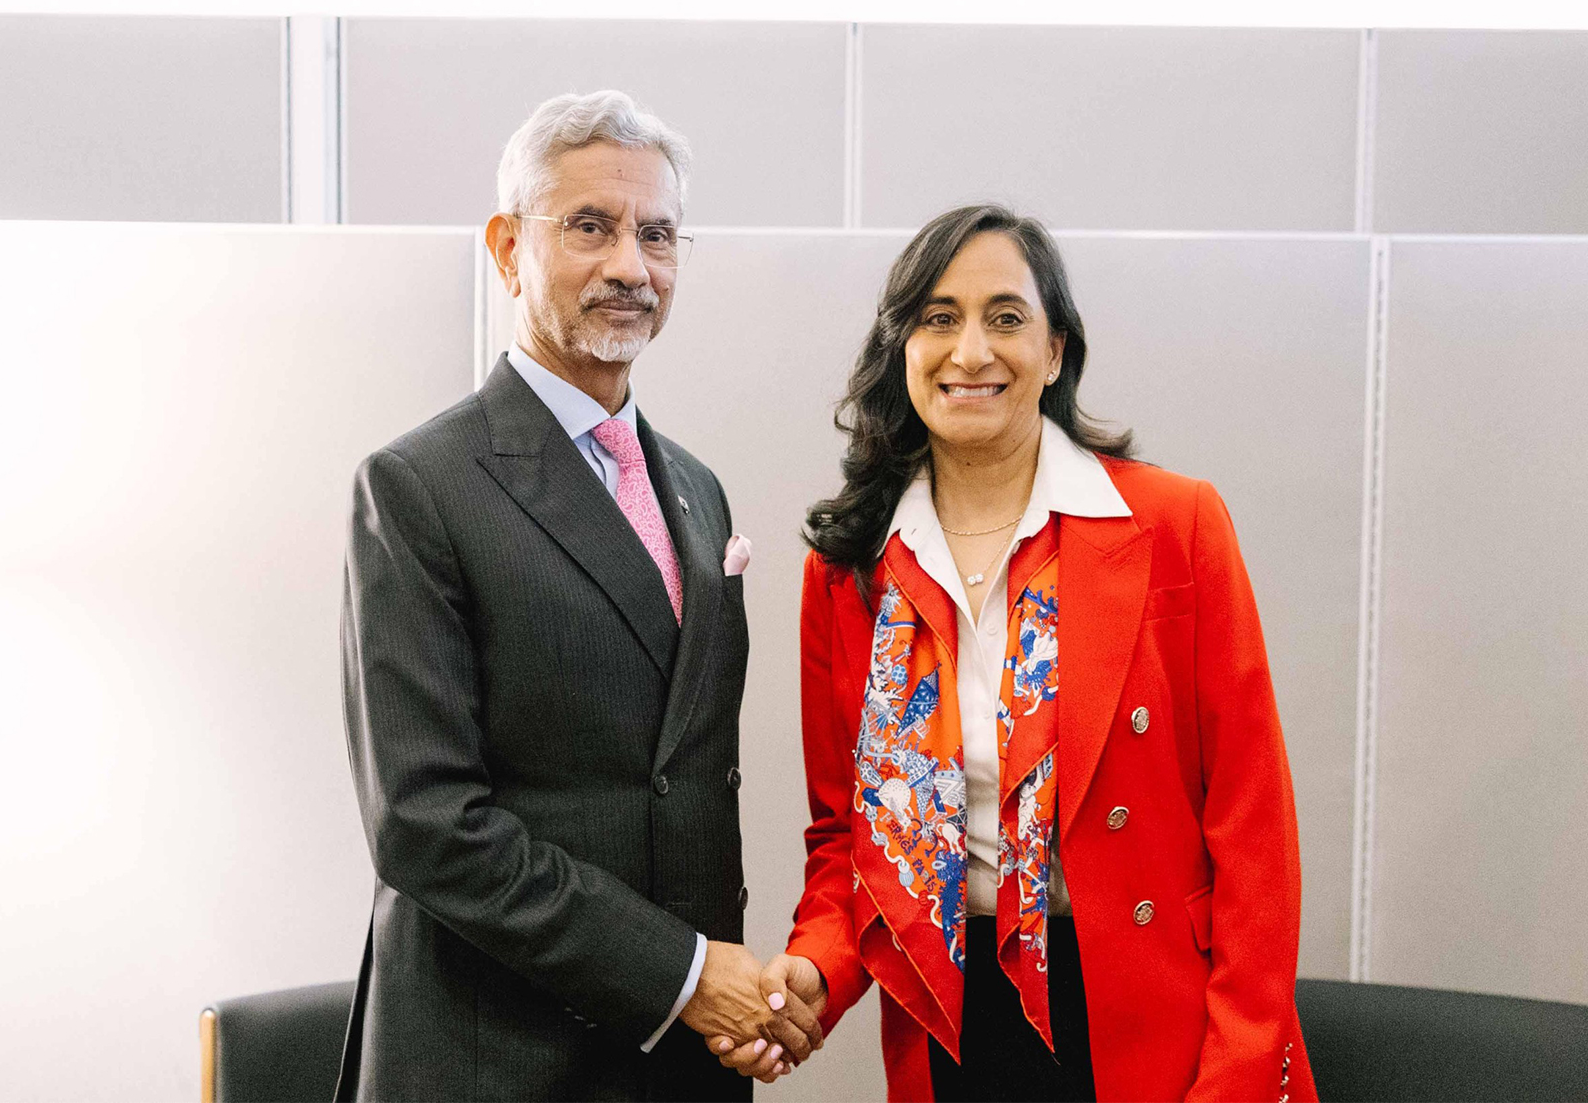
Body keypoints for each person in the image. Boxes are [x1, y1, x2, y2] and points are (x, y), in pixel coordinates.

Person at [709, 204, 1317, 1101]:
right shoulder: (852, 572)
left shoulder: (1173, 527)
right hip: (953, 1021)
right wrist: (813, 975)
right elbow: (849, 843)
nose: (971, 352)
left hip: (1156, 1018)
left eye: (1005, 317)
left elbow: (1253, 826)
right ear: (902, 348)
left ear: (1056, 348)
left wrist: (1235, 1070)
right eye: (939, 318)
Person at [335, 90, 820, 1102]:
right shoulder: (421, 485)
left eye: (657, 235)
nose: (630, 268)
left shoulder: (695, 487)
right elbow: (426, 823)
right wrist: (685, 976)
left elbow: (678, 779)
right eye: (590, 227)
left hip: (679, 1061)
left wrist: (731, 998)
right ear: (508, 247)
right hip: (498, 1057)